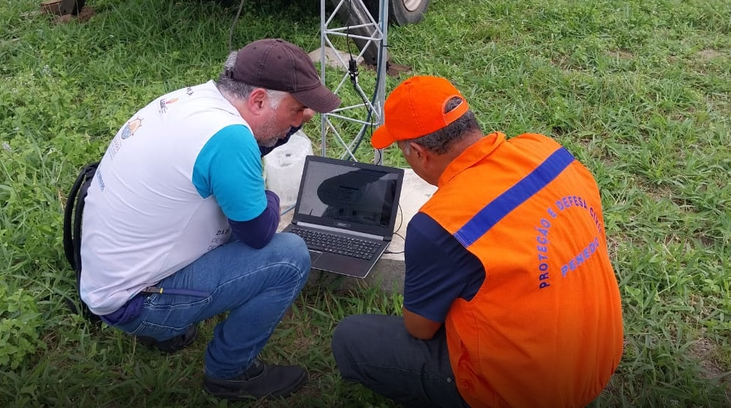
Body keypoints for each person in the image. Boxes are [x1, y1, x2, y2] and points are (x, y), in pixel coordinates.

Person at [331, 75, 623, 408]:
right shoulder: (546, 150)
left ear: (417, 153)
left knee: (351, 338)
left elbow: (420, 329)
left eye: (401, 151)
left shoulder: (439, 224)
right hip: (599, 357)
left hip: (533, 394)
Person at [79, 38, 341, 400]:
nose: (302, 119)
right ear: (259, 100)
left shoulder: (194, 100)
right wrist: (268, 195)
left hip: (106, 276)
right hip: (134, 301)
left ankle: (166, 330)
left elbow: (261, 138)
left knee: (225, 206)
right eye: (297, 110)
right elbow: (258, 233)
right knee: (290, 257)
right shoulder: (231, 140)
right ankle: (230, 373)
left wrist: (287, 124)